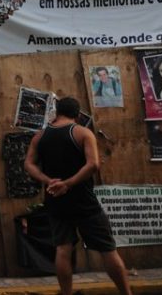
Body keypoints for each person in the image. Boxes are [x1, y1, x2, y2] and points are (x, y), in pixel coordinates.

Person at [24, 97, 133, 295]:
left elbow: (28, 164)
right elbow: (93, 165)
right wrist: (68, 183)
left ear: (57, 112)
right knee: (108, 249)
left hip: (55, 200)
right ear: (77, 114)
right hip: (83, 200)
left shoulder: (40, 137)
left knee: (62, 250)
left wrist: (48, 181)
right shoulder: (82, 133)